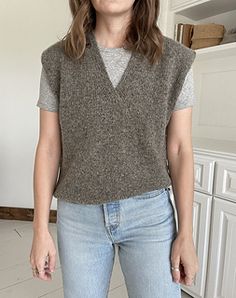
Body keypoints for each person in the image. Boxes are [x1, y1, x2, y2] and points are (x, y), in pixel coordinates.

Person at [30, 0, 199, 297]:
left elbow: (181, 149)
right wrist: (40, 229)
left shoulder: (173, 60)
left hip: (151, 217)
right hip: (78, 218)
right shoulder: (57, 61)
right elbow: (48, 147)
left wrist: (186, 233)